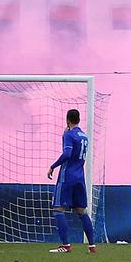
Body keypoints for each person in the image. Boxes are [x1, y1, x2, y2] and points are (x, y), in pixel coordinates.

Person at [46, 108, 97, 253]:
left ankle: (66, 245)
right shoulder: (84, 136)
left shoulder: (69, 134)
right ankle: (92, 246)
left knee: (58, 209)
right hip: (80, 177)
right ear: (79, 120)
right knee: (82, 211)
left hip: (67, 176)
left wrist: (53, 166)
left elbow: (67, 153)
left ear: (68, 119)